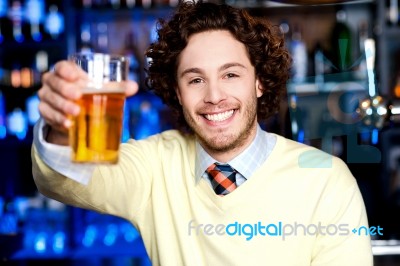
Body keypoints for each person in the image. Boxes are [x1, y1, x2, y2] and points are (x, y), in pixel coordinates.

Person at [31, 1, 373, 265]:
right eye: (195, 79)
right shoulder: (155, 166)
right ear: (177, 93)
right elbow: (65, 178)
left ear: (259, 82)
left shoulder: (327, 182)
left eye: (231, 75)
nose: (213, 96)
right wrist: (62, 126)